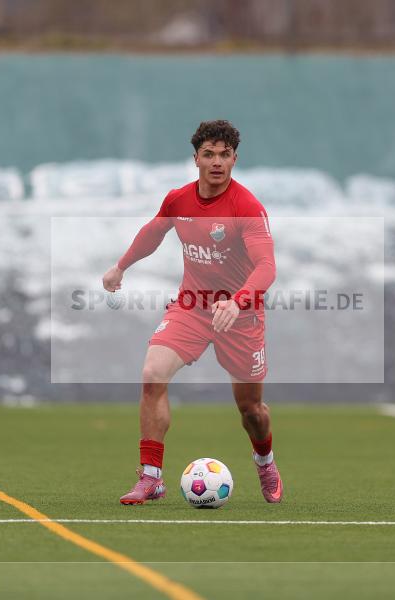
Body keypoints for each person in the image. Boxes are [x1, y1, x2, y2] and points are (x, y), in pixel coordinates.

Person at [102, 119, 283, 505]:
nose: (217, 162)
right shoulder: (178, 200)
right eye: (209, 154)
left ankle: (264, 460)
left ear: (235, 159)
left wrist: (237, 301)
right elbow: (154, 231)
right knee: (152, 375)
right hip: (192, 307)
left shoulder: (247, 207)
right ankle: (151, 478)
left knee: (251, 410)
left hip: (240, 315)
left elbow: (266, 266)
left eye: (225, 155)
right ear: (196, 158)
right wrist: (121, 266)